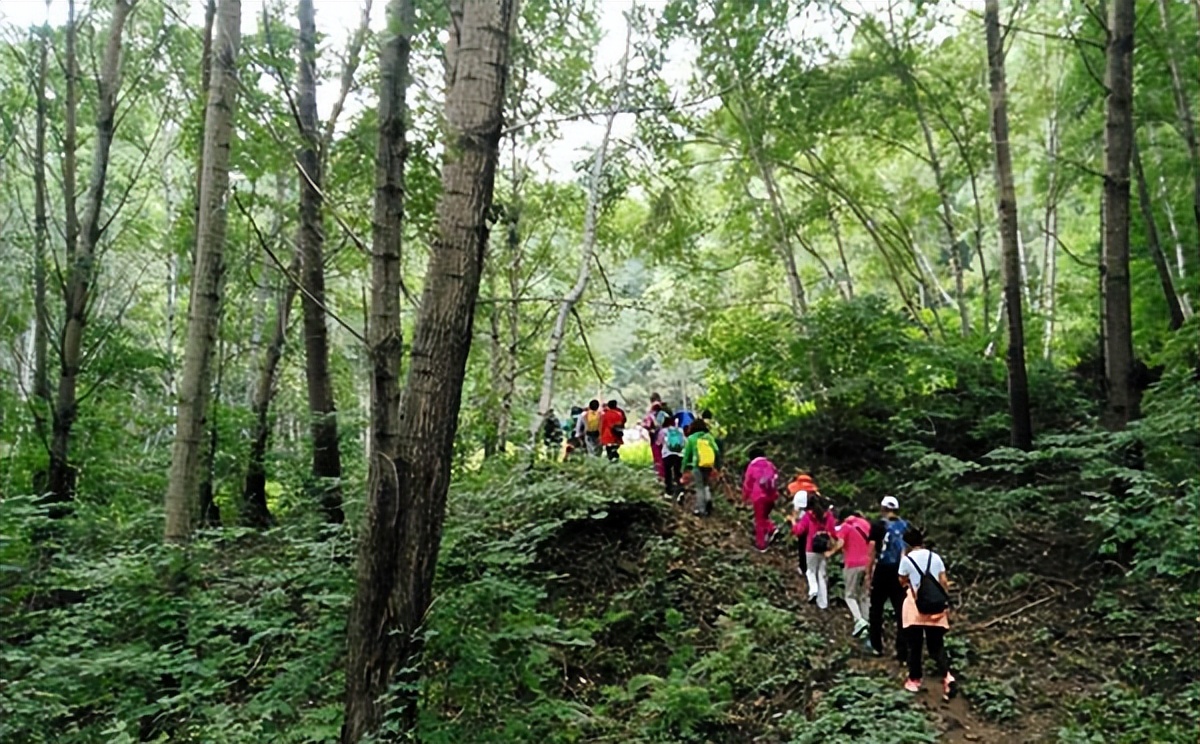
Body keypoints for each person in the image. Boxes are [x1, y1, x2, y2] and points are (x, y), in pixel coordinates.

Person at [898, 526, 957, 699]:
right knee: (936, 645)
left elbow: (901, 581)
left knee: (915, 646)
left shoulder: (907, 560)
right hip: (935, 607)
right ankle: (947, 676)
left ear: (907, 544)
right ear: (922, 541)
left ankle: (914, 680)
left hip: (915, 607)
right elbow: (943, 581)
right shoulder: (935, 557)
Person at [866, 496, 910, 662]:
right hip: (900, 571)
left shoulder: (878, 526)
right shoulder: (905, 526)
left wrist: (868, 575)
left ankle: (876, 646)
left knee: (876, 609)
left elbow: (871, 552)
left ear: (883, 508)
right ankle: (902, 651)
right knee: (901, 611)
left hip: (882, 570)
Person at [828, 506, 873, 637]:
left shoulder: (845, 527)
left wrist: (830, 552)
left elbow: (840, 543)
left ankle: (859, 621)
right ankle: (867, 621)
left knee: (849, 595)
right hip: (868, 564)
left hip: (853, 564)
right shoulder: (864, 523)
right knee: (865, 595)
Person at [792, 497, 837, 608]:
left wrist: (793, 521)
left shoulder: (808, 516)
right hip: (824, 548)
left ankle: (813, 590)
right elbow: (833, 532)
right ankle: (823, 603)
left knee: (810, 571)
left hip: (811, 548)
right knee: (822, 574)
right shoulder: (829, 517)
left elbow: (799, 531)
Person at [741, 447, 780, 552]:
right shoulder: (770, 465)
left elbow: (748, 483)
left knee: (759, 520)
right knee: (764, 516)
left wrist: (745, 497)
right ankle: (770, 531)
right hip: (771, 496)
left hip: (758, 496)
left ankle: (762, 544)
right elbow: (775, 480)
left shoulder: (752, 466)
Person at [682, 418, 720, 516]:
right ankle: (708, 500)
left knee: (699, 487)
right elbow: (716, 451)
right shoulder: (709, 437)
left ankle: (701, 510)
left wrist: (684, 468)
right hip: (709, 464)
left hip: (697, 465)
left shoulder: (691, 438)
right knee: (706, 484)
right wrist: (717, 466)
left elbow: (687, 455)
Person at [786, 472, 819, 575]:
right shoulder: (814, 492)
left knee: (802, 545)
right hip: (816, 522)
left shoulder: (799, 493)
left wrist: (792, 520)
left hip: (804, 522)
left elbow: (796, 512)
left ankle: (803, 567)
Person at [657, 413, 687, 501]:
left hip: (667, 454)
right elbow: (684, 442)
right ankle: (681, 490)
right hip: (679, 454)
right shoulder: (680, 430)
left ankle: (669, 492)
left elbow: (658, 443)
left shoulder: (663, 431)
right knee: (678, 472)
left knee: (668, 473)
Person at [643, 395, 667, 479]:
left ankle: (661, 476)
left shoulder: (651, 413)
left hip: (655, 438)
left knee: (658, 458)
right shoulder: (666, 410)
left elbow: (646, 424)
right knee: (666, 456)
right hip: (667, 437)